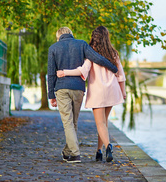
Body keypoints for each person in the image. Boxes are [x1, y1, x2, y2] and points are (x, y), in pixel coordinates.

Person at [48, 27, 118, 163]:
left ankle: (74, 154)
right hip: (78, 89)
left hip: (61, 88)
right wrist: (113, 68)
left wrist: (51, 95)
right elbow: (98, 58)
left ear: (58, 37)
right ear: (71, 34)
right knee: (73, 122)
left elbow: (51, 74)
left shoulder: (53, 48)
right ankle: (67, 151)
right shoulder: (82, 44)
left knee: (68, 122)